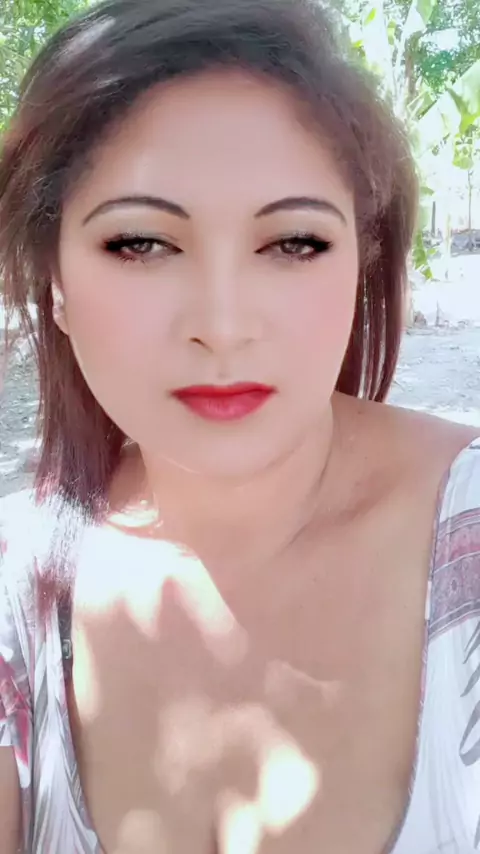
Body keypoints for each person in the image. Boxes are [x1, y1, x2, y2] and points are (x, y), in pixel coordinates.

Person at [0, 0, 479, 851]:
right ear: (54, 281)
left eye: (293, 243)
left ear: (362, 258)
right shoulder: (18, 590)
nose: (222, 327)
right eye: (141, 243)